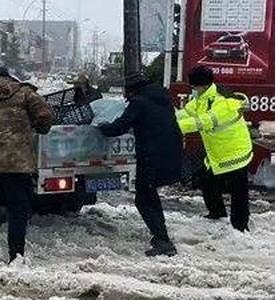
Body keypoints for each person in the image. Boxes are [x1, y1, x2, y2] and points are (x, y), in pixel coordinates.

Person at [0, 67, 54, 263]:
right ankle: (15, 254)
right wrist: (36, 128)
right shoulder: (24, 92)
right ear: (9, 77)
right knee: (18, 209)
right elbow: (45, 115)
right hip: (17, 162)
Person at [98, 73, 183, 257]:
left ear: (132, 90)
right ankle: (160, 236)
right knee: (150, 195)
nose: (125, 97)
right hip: (169, 153)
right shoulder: (162, 99)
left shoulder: (139, 102)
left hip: (152, 156)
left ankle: (163, 241)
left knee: (143, 199)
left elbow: (119, 127)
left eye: (126, 92)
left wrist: (102, 126)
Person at [176, 66, 252, 232]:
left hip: (235, 152)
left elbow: (204, 121)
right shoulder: (203, 98)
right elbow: (187, 113)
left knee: (238, 191)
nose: (192, 89)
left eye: (193, 86)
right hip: (218, 153)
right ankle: (217, 213)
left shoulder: (223, 101)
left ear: (201, 85)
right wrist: (166, 117)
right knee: (207, 181)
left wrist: (173, 127)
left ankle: (240, 227)